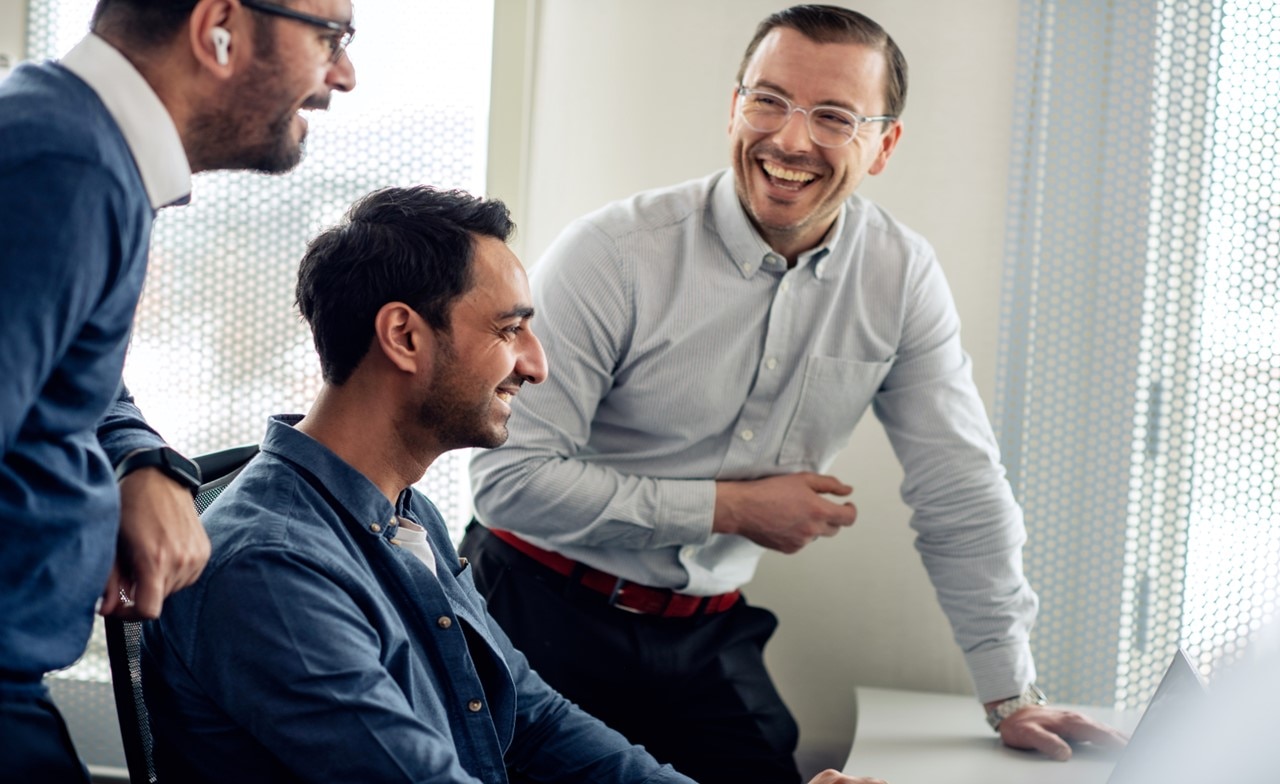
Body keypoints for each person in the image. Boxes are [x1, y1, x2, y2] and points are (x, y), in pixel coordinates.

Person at [464, 5, 1127, 783]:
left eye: (835, 117)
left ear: (883, 146)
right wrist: (734, 509)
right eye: (767, 100)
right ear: (733, 105)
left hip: (706, 634)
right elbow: (507, 482)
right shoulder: (612, 254)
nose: (789, 139)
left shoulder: (900, 277)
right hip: (535, 612)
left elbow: (961, 488)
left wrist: (1010, 693)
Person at [139, 185, 879, 784]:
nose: (536, 364)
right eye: (508, 331)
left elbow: (527, 712)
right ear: (403, 337)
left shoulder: (405, 512)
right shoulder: (271, 569)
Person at [0, 0, 355, 779]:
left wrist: (134, 458)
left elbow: (65, 367)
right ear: (218, 27)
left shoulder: (71, 145)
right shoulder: (64, 169)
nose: (344, 75)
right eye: (330, 37)